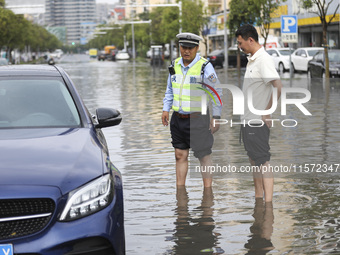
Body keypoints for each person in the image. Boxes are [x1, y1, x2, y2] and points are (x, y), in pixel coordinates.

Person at [161, 32, 222, 188]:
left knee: (204, 156)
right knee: (180, 155)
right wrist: (165, 109)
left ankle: (208, 193)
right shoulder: (174, 65)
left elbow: (216, 92)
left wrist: (216, 116)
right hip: (178, 118)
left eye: (190, 48)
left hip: (198, 119)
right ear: (179, 47)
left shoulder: (204, 67)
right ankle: (180, 194)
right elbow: (169, 89)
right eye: (183, 47)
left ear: (196, 48)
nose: (186, 51)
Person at [235, 24, 282, 202]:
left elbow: (278, 87)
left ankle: (268, 204)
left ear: (251, 40)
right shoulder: (252, 60)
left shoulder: (264, 60)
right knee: (253, 161)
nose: (239, 46)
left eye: (240, 43)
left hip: (257, 121)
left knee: (263, 161)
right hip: (247, 121)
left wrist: (267, 112)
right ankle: (258, 198)